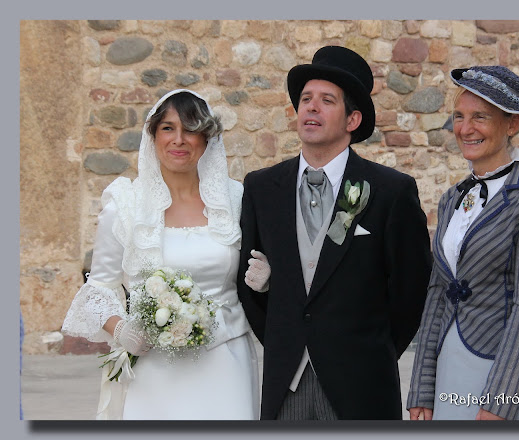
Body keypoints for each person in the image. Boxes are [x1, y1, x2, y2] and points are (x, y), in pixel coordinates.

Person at [237, 46, 432, 420]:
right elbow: (249, 285)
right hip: (286, 385)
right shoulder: (261, 188)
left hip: (361, 388)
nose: (311, 107)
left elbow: (411, 292)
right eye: (305, 99)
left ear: (352, 119)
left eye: (327, 100)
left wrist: (368, 353)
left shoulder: (391, 191)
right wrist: (287, 339)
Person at [62, 89, 259, 420]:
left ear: (207, 137)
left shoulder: (237, 200)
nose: (179, 139)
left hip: (226, 360)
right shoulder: (125, 206)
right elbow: (97, 290)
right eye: (168, 128)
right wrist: (121, 329)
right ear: (152, 136)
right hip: (153, 365)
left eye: (191, 129)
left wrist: (266, 278)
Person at [407, 66, 519, 420]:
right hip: (450, 367)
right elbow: (437, 293)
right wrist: (422, 387)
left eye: (480, 117)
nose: (465, 128)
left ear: (512, 124)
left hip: (509, 374)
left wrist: (498, 403)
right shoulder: (451, 199)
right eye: (459, 116)